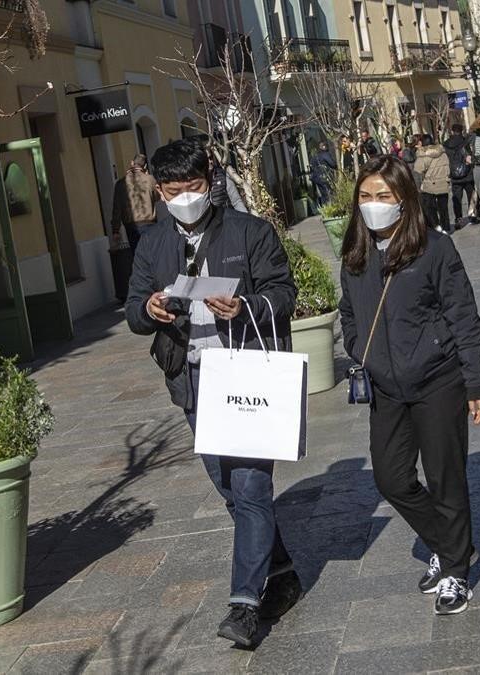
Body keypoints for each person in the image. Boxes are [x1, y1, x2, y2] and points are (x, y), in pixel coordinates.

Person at [125, 139, 301, 647]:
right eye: (175, 191)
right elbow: (135, 308)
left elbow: (284, 293)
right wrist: (151, 311)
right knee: (232, 491)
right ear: (159, 192)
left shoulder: (251, 232)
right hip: (192, 380)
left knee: (249, 487)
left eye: (196, 188)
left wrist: (245, 307)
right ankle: (284, 571)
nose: (186, 198)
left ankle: (244, 607)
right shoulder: (152, 244)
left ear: (212, 182)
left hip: (245, 375)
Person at [337, 155, 480, 616]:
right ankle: (450, 542)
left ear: (404, 200)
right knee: (392, 478)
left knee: (446, 478)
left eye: (383, 196)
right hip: (385, 387)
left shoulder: (434, 249)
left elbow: (463, 315)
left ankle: (457, 571)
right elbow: (348, 311)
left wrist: (475, 381)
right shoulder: (355, 252)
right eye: (365, 196)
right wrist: (359, 345)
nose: (373, 204)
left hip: (437, 380)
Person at [111, 154, 158, 251]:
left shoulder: (120, 184)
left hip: (131, 225)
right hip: (150, 223)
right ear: (144, 166)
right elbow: (157, 197)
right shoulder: (150, 179)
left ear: (132, 163)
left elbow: (117, 208)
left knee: (138, 254)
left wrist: (115, 230)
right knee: (154, 252)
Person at [413, 134, 451, 233]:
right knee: (443, 207)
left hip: (429, 184)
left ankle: (436, 225)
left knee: (430, 207)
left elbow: (418, 169)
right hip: (443, 182)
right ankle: (446, 227)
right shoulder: (442, 152)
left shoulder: (424, 155)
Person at [443, 124, 474, 229]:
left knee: (456, 198)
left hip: (454, 175)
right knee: (470, 194)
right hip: (468, 173)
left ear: (452, 131)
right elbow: (471, 156)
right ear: (462, 130)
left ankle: (458, 218)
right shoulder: (466, 141)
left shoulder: (446, 144)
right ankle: (472, 214)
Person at [310, 141, 338, 206]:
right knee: (328, 193)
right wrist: (336, 165)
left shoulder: (315, 156)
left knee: (323, 194)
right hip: (324, 177)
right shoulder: (325, 154)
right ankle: (330, 207)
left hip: (316, 178)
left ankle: (325, 209)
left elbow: (311, 166)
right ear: (324, 147)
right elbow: (332, 164)